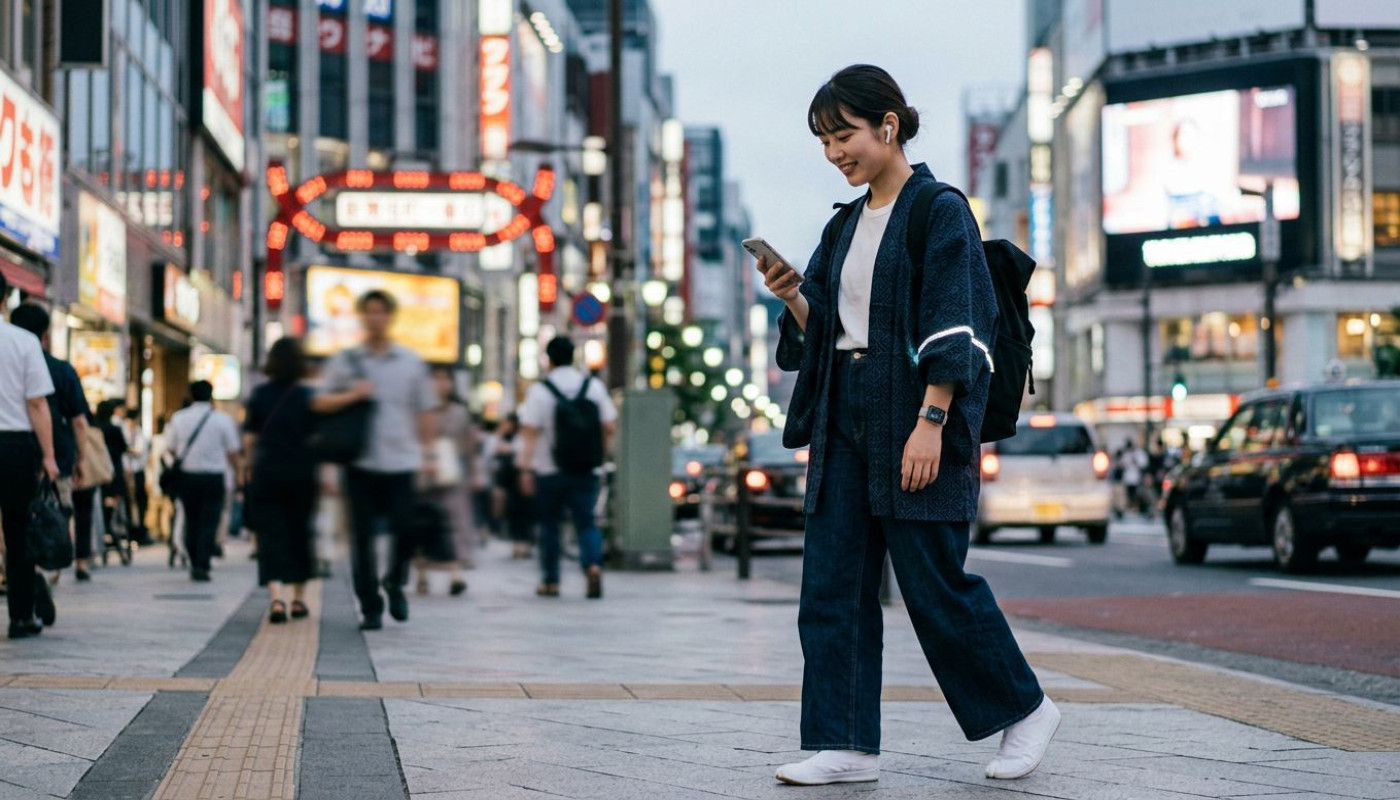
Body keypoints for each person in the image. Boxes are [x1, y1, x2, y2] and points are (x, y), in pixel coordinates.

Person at [758, 65, 1058, 786]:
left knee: (933, 584)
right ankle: (845, 743)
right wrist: (796, 296)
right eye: (825, 140)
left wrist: (932, 422)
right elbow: (828, 329)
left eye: (844, 134)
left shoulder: (938, 210)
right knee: (832, 586)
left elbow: (958, 320)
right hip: (843, 414)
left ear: (888, 126)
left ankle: (1027, 709)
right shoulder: (843, 223)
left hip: (915, 410)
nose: (834, 152)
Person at [314, 290, 437, 630]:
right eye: (369, 312)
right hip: (361, 463)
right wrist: (353, 394)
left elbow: (425, 411)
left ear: (390, 317)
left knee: (407, 529)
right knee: (362, 538)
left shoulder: (411, 361)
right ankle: (370, 605)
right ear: (362, 317)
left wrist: (429, 455)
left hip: (403, 461)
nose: (375, 318)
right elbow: (320, 404)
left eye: (382, 312)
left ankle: (395, 581)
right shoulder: (346, 361)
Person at [519, 337, 617, 599]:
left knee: (549, 526)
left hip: (549, 470)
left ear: (548, 359)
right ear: (573, 357)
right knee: (586, 523)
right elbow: (609, 425)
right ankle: (593, 566)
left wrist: (525, 469)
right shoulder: (592, 387)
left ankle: (551, 581)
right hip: (586, 468)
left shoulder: (540, 391)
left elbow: (529, 432)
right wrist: (600, 454)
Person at [9, 305, 92, 587]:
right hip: (50, 453)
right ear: (45, 333)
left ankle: (15, 574)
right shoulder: (61, 369)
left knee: (11, 520)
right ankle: (45, 572)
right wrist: (77, 457)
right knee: (53, 512)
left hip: (16, 445)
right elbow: (78, 421)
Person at [0, 273, 60, 639]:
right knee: (18, 530)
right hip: (14, 446)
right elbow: (36, 402)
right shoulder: (23, 341)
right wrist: (49, 456)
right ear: (6, 298)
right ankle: (21, 616)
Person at [242, 338, 319, 623]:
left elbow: (250, 439)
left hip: (268, 472)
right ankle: (298, 599)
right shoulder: (307, 396)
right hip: (301, 473)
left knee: (271, 534)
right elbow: (316, 439)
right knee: (299, 533)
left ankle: (276, 600)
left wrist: (248, 470)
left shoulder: (260, 395)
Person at [166, 381, 241, 582]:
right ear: (211, 395)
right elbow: (233, 451)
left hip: (188, 477)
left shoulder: (179, 418)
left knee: (191, 520)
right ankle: (203, 564)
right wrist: (239, 473)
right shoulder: (222, 420)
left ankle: (194, 561)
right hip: (214, 477)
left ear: (190, 395)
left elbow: (171, 448)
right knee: (209, 521)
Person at [414, 366, 476, 596]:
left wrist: (474, 474)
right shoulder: (420, 411)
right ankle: (422, 574)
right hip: (423, 473)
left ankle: (455, 573)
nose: (441, 384)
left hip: (453, 474)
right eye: (436, 379)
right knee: (422, 523)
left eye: (445, 379)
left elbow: (469, 446)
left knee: (455, 522)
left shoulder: (460, 413)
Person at [492, 415, 534, 560]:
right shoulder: (508, 437)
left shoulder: (521, 436)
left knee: (522, 511)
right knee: (516, 511)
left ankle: (523, 543)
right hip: (511, 479)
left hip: (520, 476)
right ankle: (520, 543)